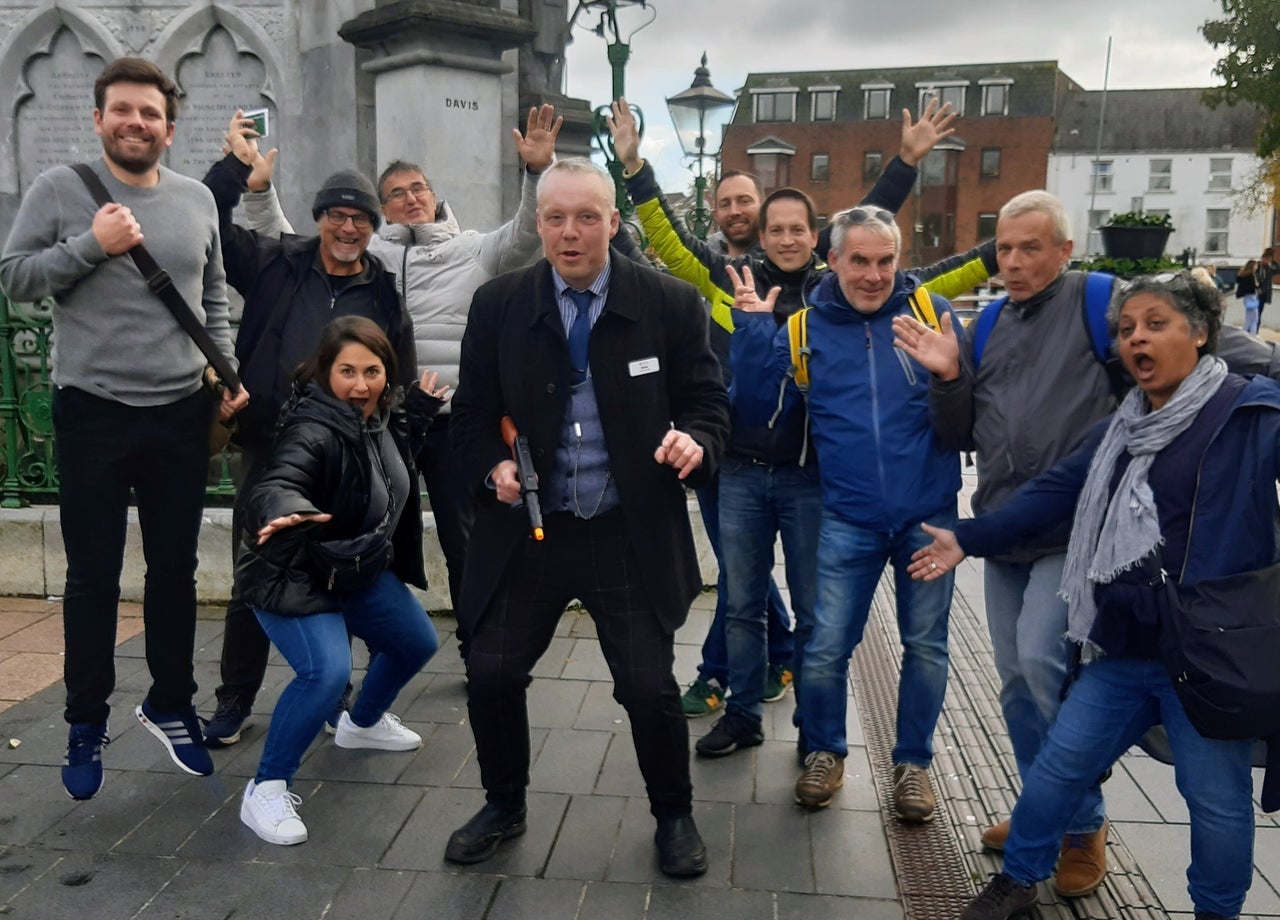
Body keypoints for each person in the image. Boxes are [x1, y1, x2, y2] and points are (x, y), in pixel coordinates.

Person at [894, 189, 1280, 896]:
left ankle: (1082, 826)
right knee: (1019, 687)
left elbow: (1221, 350)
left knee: (1047, 666)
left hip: (1106, 558)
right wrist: (949, 379)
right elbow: (964, 436)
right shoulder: (1000, 336)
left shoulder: (1112, 310)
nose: (1012, 262)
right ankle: (1045, 821)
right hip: (1037, 549)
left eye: (1029, 247)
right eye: (1003, 249)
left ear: (1064, 251)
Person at [606, 98, 992, 735]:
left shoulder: (833, 290)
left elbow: (878, 234)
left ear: (816, 240)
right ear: (760, 236)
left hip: (812, 478)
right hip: (735, 469)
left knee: (817, 616)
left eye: (798, 229)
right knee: (740, 598)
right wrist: (634, 167)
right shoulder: (729, 283)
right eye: (774, 229)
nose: (787, 238)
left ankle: (818, 740)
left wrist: (913, 169)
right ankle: (743, 711)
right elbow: (671, 245)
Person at [447, 157, 729, 876]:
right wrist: (493, 467)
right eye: (555, 217)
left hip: (625, 534)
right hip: (531, 533)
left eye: (586, 217)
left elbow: (707, 403)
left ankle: (674, 814)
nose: (570, 233)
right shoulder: (500, 304)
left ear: (613, 222)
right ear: (538, 222)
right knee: (492, 671)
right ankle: (503, 804)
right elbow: (472, 416)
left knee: (647, 686)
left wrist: (695, 440)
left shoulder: (668, 303)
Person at [0, 57, 248, 800]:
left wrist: (226, 378)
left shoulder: (198, 199)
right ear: (100, 118)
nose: (135, 123)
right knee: (92, 576)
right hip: (93, 411)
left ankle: (171, 703)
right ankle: (84, 718)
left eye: (149, 113)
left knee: (174, 570)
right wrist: (89, 247)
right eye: (122, 111)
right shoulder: (59, 190)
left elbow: (212, 299)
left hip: (178, 411)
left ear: (169, 128)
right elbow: (14, 277)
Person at [236, 106, 563, 623]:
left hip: (452, 419)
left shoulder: (473, 249)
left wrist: (536, 173)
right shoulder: (371, 255)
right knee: (373, 533)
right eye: (396, 193)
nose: (410, 198)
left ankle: (477, 641)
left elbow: (526, 234)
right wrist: (259, 192)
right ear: (382, 209)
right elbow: (289, 244)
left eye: (418, 189)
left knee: (464, 538)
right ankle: (377, 644)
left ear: (434, 196)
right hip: (383, 423)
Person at [728, 206, 966, 821]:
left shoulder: (929, 317)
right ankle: (826, 752)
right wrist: (755, 331)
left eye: (886, 260)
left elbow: (969, 424)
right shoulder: (804, 330)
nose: (873, 274)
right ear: (831, 261)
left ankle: (913, 765)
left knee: (927, 646)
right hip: (849, 518)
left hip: (928, 520)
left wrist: (950, 376)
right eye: (859, 260)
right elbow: (755, 409)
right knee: (827, 645)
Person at [199, 115, 419, 747]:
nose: (348, 228)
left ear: (374, 228)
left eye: (361, 219)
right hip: (271, 444)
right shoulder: (276, 261)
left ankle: (334, 695)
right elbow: (205, 228)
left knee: (336, 567)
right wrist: (236, 171)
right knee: (257, 570)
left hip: (345, 455)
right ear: (320, 217)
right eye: (337, 215)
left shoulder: (382, 288)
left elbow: (393, 369)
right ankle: (235, 698)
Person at [234, 316, 447, 845]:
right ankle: (265, 788)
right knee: (325, 673)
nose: (360, 384)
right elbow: (282, 477)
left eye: (372, 371)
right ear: (326, 373)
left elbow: (386, 464)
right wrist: (286, 506)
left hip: (350, 566)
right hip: (292, 570)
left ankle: (361, 724)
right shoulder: (313, 427)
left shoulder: (379, 419)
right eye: (347, 371)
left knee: (415, 642)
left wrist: (416, 417)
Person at [1236, 259, 1259, 334]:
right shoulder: (1251, 276)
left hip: (1246, 298)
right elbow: (1252, 287)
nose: (1256, 267)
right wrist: (1256, 285)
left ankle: (1245, 332)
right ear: (1252, 266)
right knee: (1254, 318)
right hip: (1252, 297)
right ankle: (1253, 334)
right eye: (1255, 266)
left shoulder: (1242, 275)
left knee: (1248, 317)